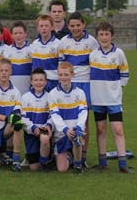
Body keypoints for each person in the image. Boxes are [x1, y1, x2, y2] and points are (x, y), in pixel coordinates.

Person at [90, 21, 132, 173]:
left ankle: (122, 164)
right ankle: (102, 163)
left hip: (113, 99)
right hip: (97, 99)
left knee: (118, 129)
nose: (104, 37)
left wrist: (115, 88)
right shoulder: (93, 54)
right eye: (101, 34)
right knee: (100, 129)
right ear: (97, 36)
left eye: (107, 34)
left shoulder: (119, 53)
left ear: (112, 36)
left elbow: (125, 73)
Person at [59, 12, 99, 167]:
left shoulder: (92, 42)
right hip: (68, 83)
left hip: (85, 84)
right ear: (68, 26)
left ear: (83, 25)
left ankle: (83, 156)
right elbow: (61, 66)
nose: (75, 28)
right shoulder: (63, 42)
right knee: (67, 117)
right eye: (72, 26)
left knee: (84, 121)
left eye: (78, 25)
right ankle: (69, 153)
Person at [48, 62, 87, 173]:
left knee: (77, 138)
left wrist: (79, 127)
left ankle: (78, 165)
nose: (63, 77)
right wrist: (65, 129)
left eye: (66, 74)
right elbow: (55, 115)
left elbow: (83, 112)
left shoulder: (80, 93)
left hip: (74, 130)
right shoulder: (53, 94)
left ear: (72, 75)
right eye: (61, 75)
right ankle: (69, 156)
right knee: (62, 169)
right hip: (62, 133)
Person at [21, 68, 52, 171]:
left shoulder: (50, 97)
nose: (38, 83)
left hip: (44, 129)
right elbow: (22, 118)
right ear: (31, 82)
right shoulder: (25, 97)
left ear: (46, 82)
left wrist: (47, 126)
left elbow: (53, 116)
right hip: (31, 133)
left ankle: (44, 164)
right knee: (33, 167)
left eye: (41, 80)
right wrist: (33, 127)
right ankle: (43, 158)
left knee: (45, 138)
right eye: (36, 80)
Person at [30, 14, 60, 92]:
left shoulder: (58, 44)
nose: (44, 28)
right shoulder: (34, 44)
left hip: (53, 81)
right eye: (41, 26)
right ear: (37, 28)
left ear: (52, 27)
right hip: (38, 82)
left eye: (46, 26)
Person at [3, 21, 32, 95]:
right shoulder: (6, 51)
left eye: (20, 33)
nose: (18, 36)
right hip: (11, 92)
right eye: (15, 33)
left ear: (25, 34)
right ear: (11, 35)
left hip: (28, 91)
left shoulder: (32, 49)